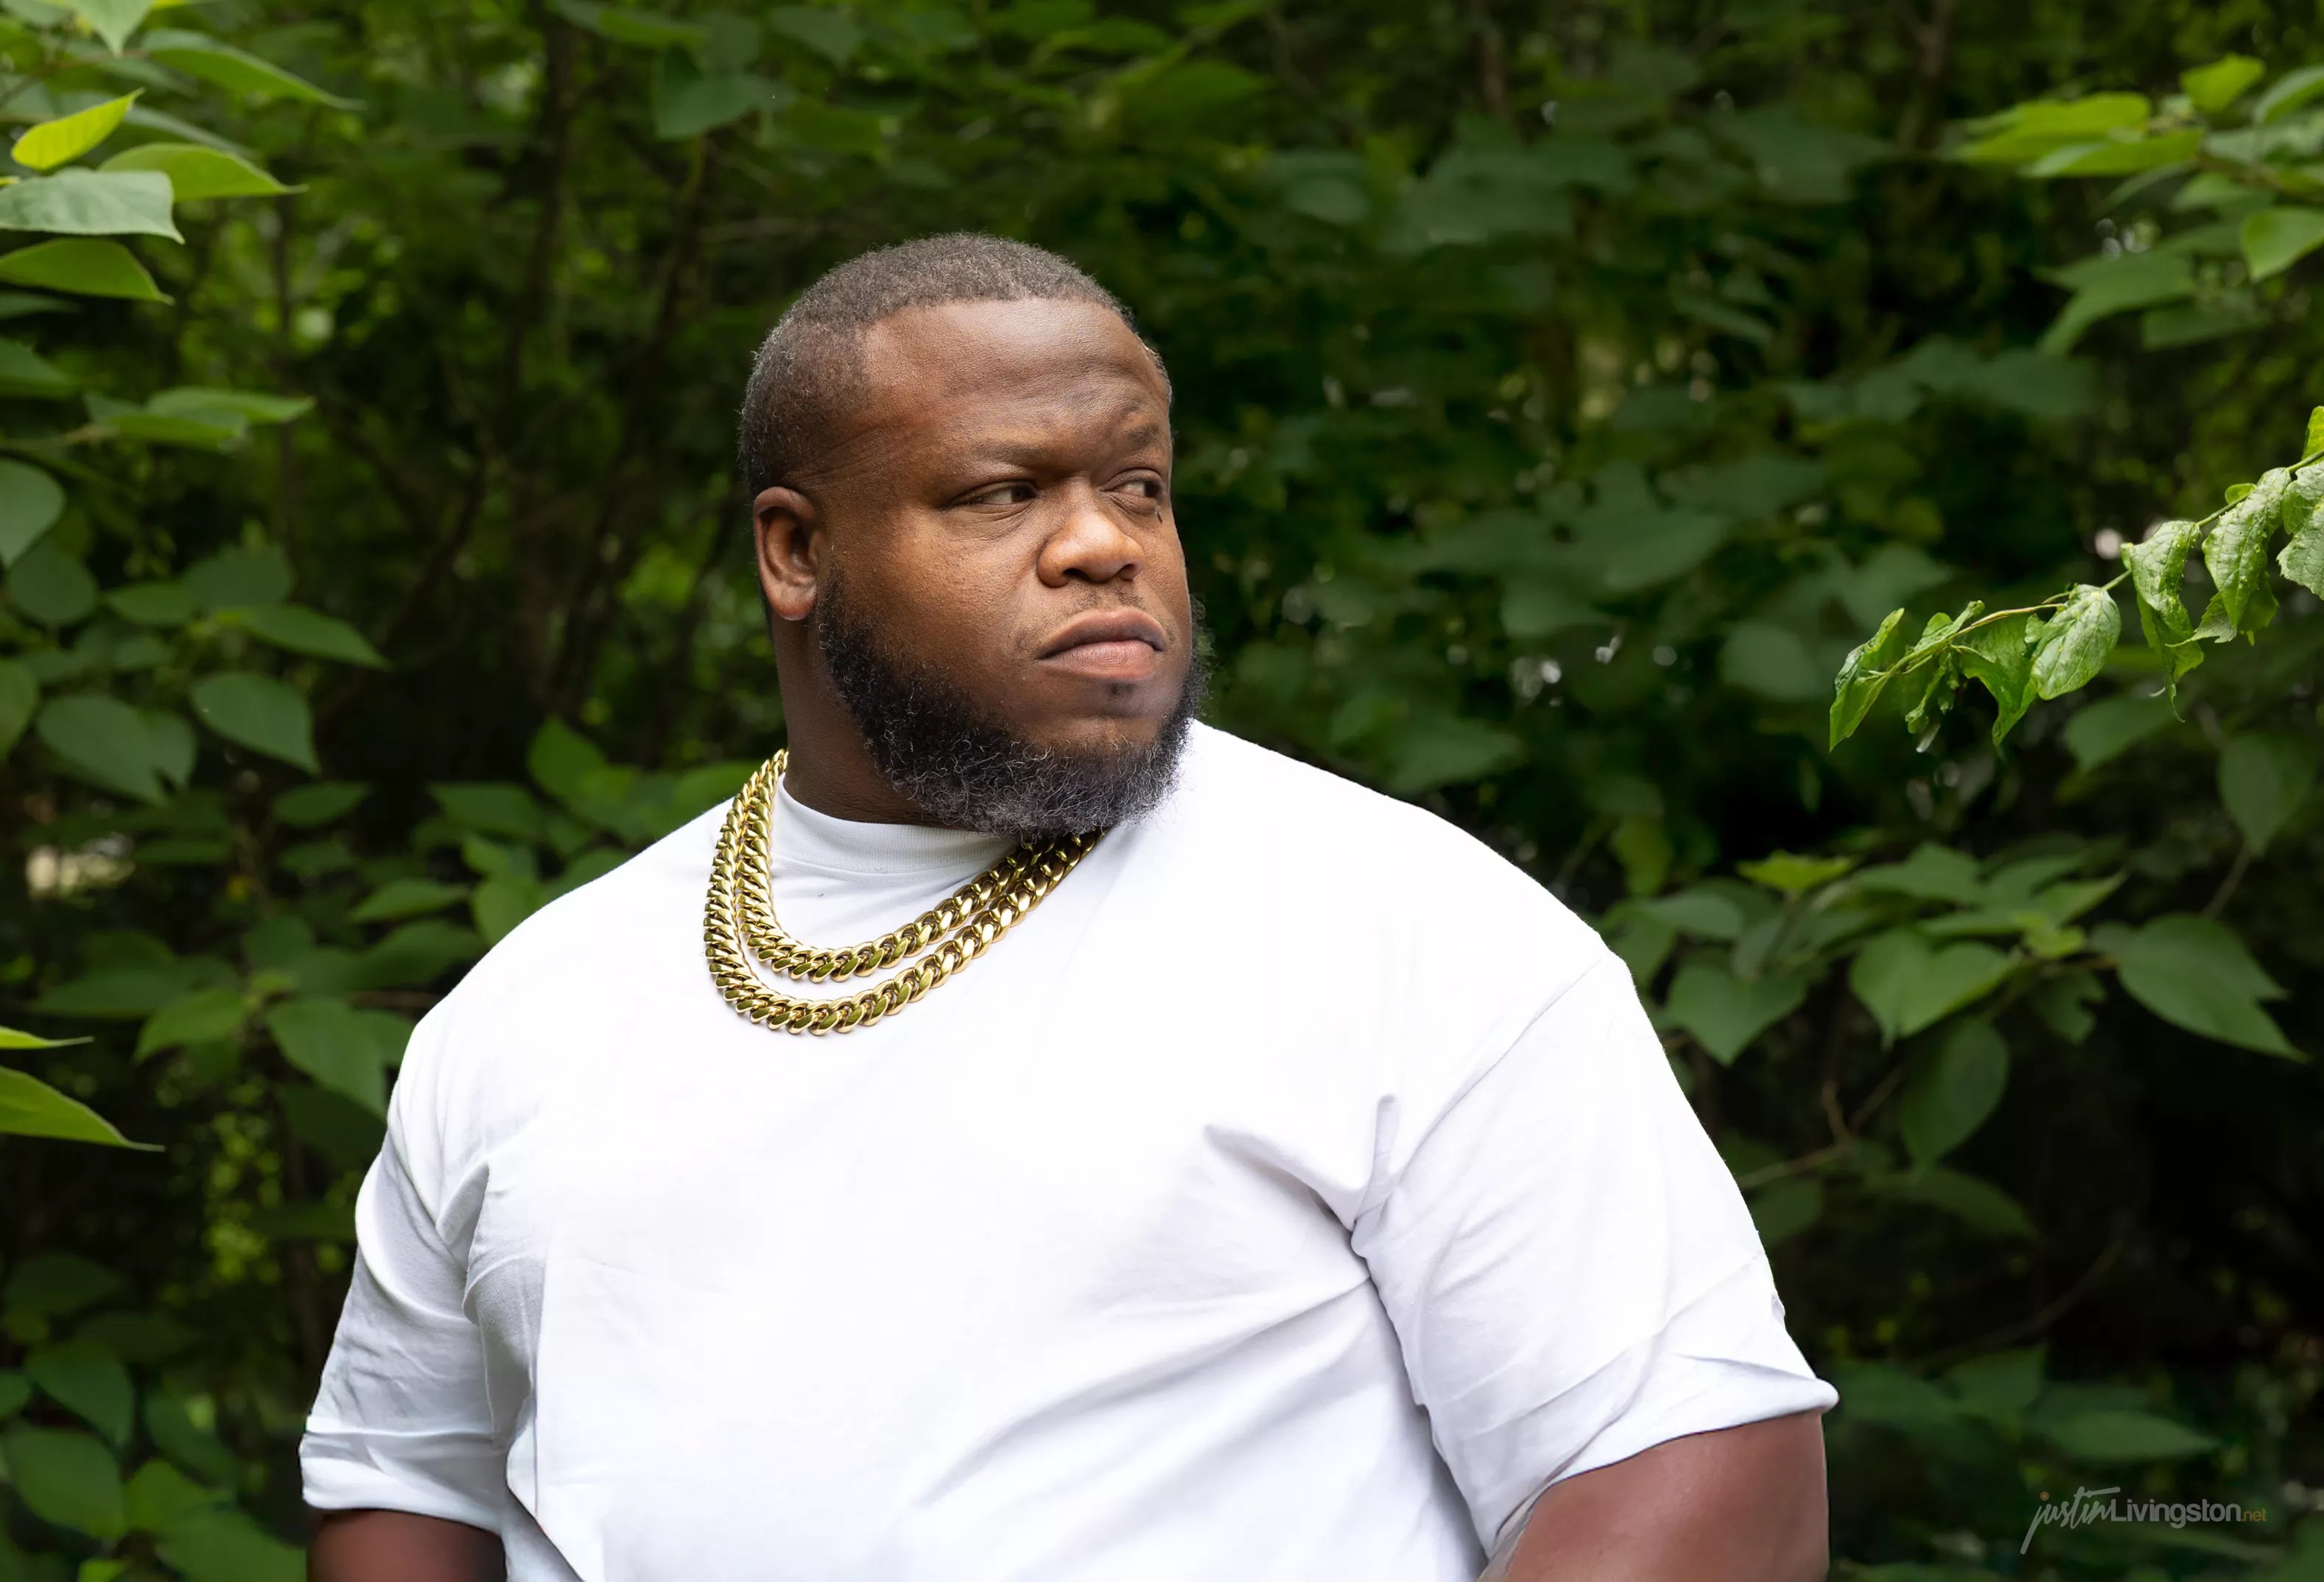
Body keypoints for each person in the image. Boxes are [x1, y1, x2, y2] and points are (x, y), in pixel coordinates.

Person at [302, 234, 1836, 1582]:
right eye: (1003, 490)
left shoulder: (1405, 931)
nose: (1105, 542)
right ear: (796, 552)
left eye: (1138, 485)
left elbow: (1705, 1487)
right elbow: (401, 1485)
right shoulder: (536, 1007)